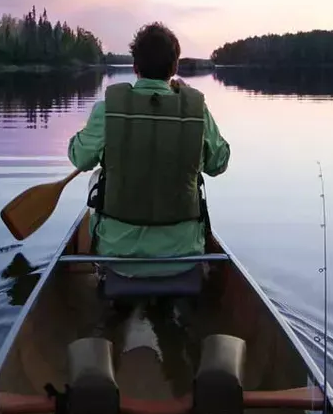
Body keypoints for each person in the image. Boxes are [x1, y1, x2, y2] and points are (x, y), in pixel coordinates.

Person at [67, 22, 230, 276]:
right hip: (184, 256)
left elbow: (79, 158)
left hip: (117, 256)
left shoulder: (107, 110)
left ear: (135, 67)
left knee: (96, 178)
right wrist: (189, 106)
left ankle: (97, 275)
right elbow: (219, 163)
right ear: (174, 67)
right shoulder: (196, 111)